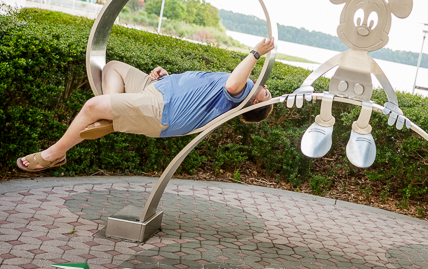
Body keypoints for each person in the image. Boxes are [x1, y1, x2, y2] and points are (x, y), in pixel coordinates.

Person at [17, 38, 276, 172]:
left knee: (92, 106)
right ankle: (111, 114)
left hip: (161, 109)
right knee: (112, 67)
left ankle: (55, 155)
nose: (265, 87)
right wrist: (167, 77)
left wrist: (255, 53)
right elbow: (195, 86)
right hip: (155, 89)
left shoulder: (239, 95)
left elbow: (232, 85)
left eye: (265, 94)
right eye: (267, 89)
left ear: (252, 103)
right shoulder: (240, 86)